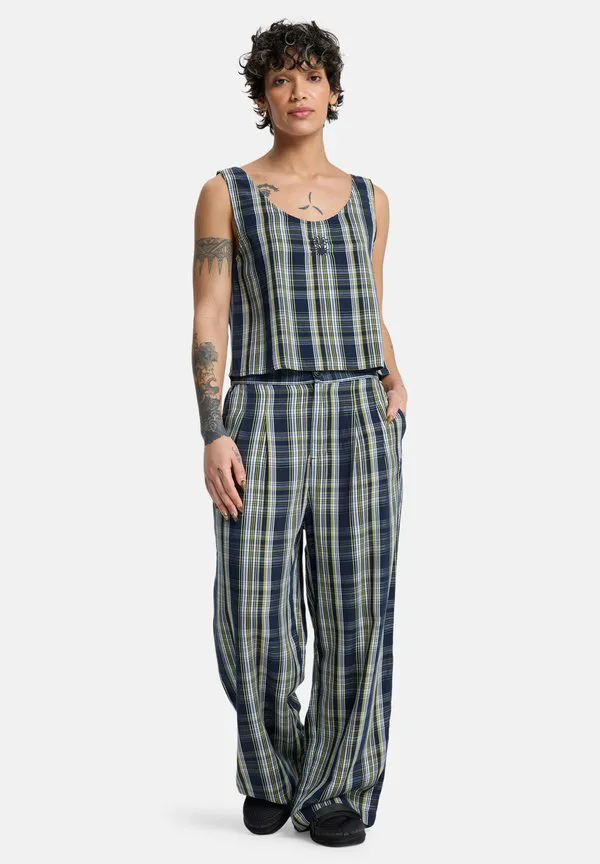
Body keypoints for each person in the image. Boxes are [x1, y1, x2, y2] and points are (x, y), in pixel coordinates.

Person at [191, 18, 408, 848]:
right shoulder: (227, 191)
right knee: (253, 609)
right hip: (264, 412)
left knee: (358, 608)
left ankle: (338, 787)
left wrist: (394, 377)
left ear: (334, 90)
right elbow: (209, 314)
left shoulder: (372, 200)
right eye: (280, 79)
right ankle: (273, 770)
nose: (297, 91)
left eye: (311, 76)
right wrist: (213, 429)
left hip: (358, 413)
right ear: (262, 96)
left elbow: (371, 305)